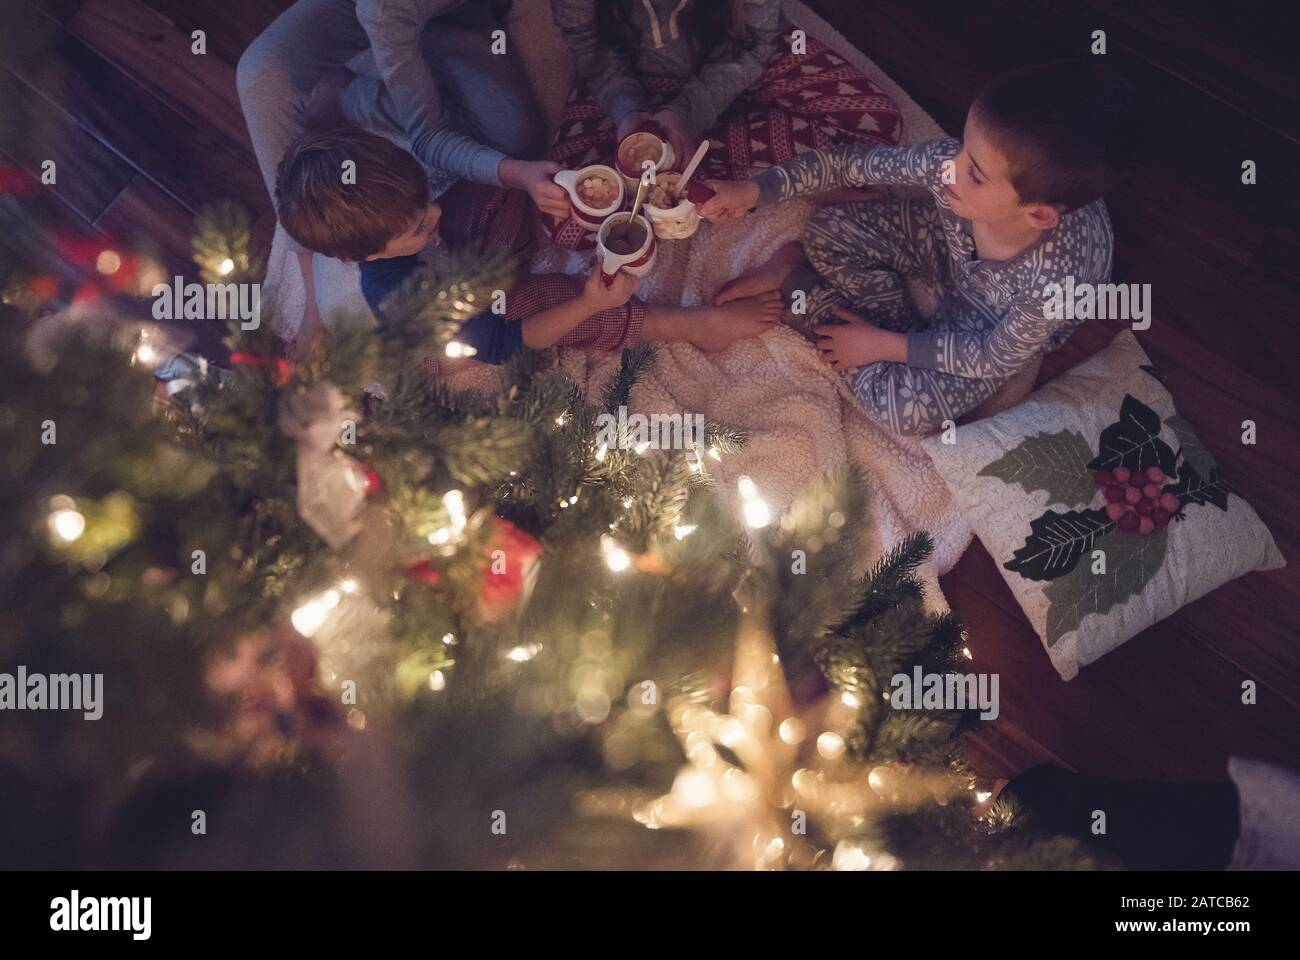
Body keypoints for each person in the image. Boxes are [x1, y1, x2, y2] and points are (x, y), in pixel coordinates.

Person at [701, 61, 1133, 436]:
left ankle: (805, 288)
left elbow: (992, 356)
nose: (950, 170)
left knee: (900, 411)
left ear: (1037, 216)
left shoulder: (1053, 284)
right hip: (950, 252)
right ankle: (879, 330)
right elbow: (848, 162)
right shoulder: (952, 168)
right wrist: (755, 190)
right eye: (964, 149)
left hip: (990, 321)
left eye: (976, 175)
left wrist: (883, 346)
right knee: (827, 230)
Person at [274, 128, 782, 364]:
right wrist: (587, 300)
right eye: (415, 226)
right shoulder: (408, 299)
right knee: (564, 304)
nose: (437, 212)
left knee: (503, 179)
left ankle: (575, 223)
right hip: (476, 312)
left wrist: (524, 179)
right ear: (363, 257)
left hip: (466, 258)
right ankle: (689, 325)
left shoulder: (388, 198)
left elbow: (302, 240)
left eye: (426, 201)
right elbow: (499, 345)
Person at [542, 0, 903, 249]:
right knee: (567, 216)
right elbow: (589, 48)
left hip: (735, 61)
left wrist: (687, 112)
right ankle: (719, 181)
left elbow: (757, 42)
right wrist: (628, 111)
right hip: (630, 81)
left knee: (874, 125)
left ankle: (717, 180)